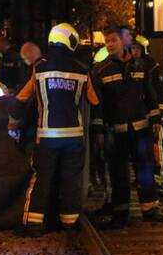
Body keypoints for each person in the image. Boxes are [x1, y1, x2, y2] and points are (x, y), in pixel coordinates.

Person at [8, 23, 98, 237]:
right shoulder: (82, 70)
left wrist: (13, 121)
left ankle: (33, 224)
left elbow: (21, 99)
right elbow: (94, 100)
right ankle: (70, 222)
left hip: (47, 136)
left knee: (41, 178)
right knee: (70, 179)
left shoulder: (40, 69)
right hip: (74, 137)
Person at [90, 26, 163, 227]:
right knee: (119, 174)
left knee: (145, 169)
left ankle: (150, 210)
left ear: (123, 42)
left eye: (113, 40)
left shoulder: (140, 66)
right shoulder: (100, 70)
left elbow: (150, 95)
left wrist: (156, 119)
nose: (109, 45)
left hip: (141, 129)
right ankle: (120, 213)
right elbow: (98, 104)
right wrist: (99, 130)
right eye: (106, 41)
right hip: (116, 132)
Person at [132, 34, 163, 192]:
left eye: (137, 48)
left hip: (152, 115)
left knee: (155, 147)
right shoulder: (131, 66)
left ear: (144, 49)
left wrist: (160, 113)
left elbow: (160, 91)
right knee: (139, 149)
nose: (134, 51)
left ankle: (158, 179)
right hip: (138, 115)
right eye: (132, 48)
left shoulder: (152, 66)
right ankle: (142, 177)